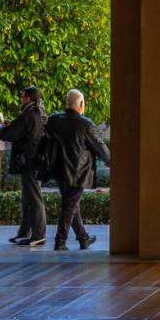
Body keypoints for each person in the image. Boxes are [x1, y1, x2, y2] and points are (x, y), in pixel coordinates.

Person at [46, 89, 110, 251]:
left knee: (72, 204)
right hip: (77, 172)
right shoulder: (85, 124)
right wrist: (111, 161)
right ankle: (60, 242)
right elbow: (99, 146)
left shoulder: (54, 120)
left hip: (59, 170)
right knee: (70, 205)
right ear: (81, 104)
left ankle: (83, 238)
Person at [0, 86, 48, 246]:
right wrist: (11, 125)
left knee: (34, 199)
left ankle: (39, 235)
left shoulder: (28, 116)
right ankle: (25, 232)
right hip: (37, 163)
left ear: (29, 99)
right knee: (27, 199)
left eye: (22, 96)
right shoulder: (39, 115)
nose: (20, 99)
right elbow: (22, 132)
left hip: (29, 164)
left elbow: (9, 135)